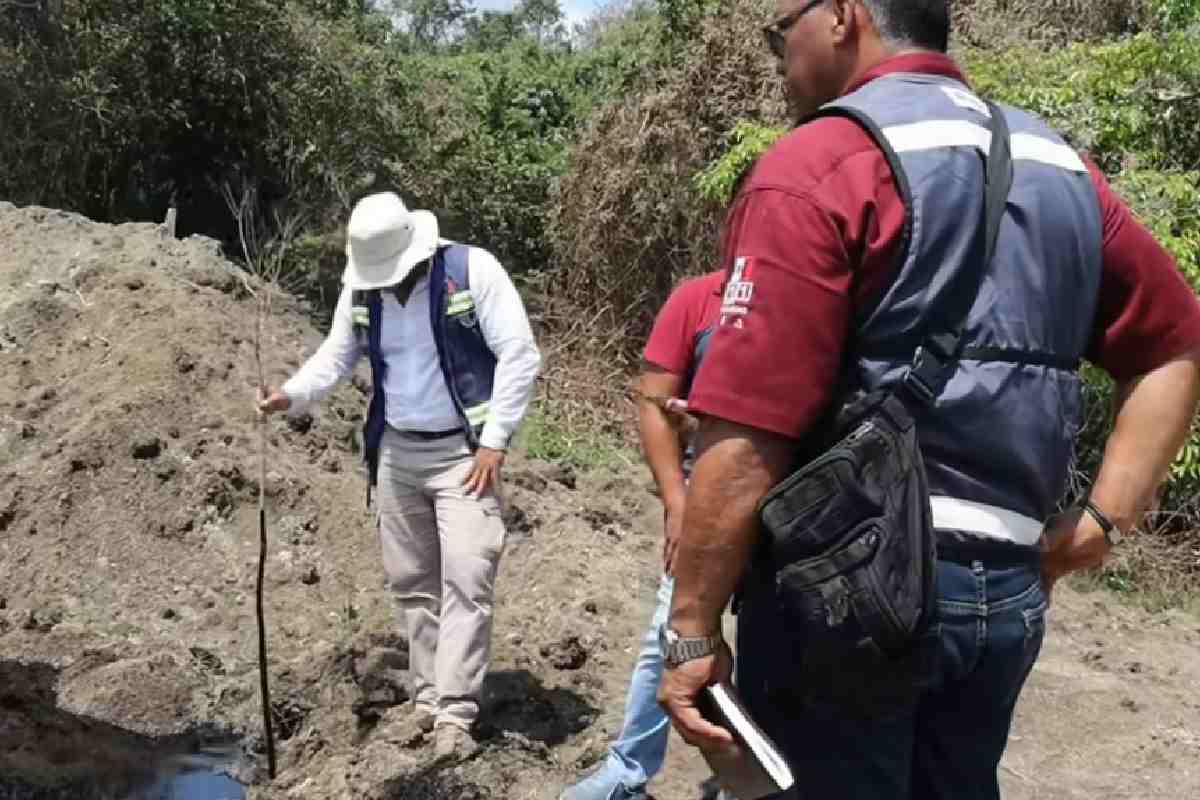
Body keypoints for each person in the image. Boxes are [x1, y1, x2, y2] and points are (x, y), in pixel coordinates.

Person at [657, 2, 1200, 798]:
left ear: (843, 16)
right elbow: (1174, 342)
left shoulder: (818, 164)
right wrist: (1101, 522)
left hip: (846, 599)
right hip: (1005, 593)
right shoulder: (1061, 168)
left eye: (780, 29)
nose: (777, 52)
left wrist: (691, 629)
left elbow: (746, 439)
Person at [258, 191, 541, 760]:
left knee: (467, 576)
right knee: (413, 583)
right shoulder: (362, 289)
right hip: (397, 451)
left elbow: (519, 353)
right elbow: (337, 356)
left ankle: (455, 716)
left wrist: (494, 442)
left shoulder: (470, 271)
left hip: (464, 455)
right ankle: (428, 696)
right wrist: (292, 395)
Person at [560, 271, 723, 800]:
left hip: (797, 500)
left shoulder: (816, 295)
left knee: (785, 645)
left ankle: (755, 779)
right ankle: (629, 768)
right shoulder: (700, 299)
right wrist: (678, 501)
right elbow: (653, 399)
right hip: (710, 501)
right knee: (671, 632)